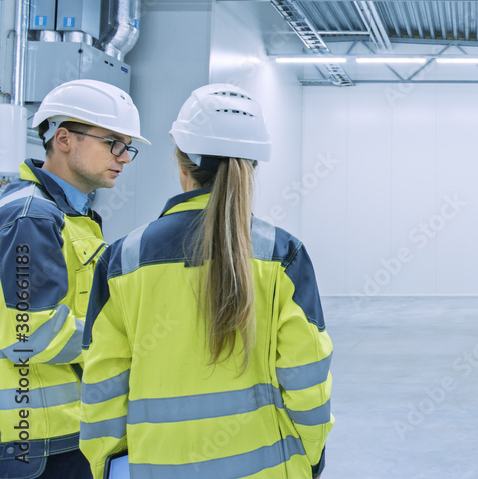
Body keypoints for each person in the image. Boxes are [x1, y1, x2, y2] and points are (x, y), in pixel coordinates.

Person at [80, 84, 333, 478]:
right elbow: (306, 376)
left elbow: (103, 381)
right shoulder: (281, 255)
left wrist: (106, 463)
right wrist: (312, 457)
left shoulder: (123, 259)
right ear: (252, 167)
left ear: (181, 161)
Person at [0, 79, 149, 478]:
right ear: (63, 138)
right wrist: (126, 341)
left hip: (66, 427)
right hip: (36, 436)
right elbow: (29, 333)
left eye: (127, 146)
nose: (124, 157)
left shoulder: (69, 215)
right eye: (112, 142)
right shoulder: (31, 216)